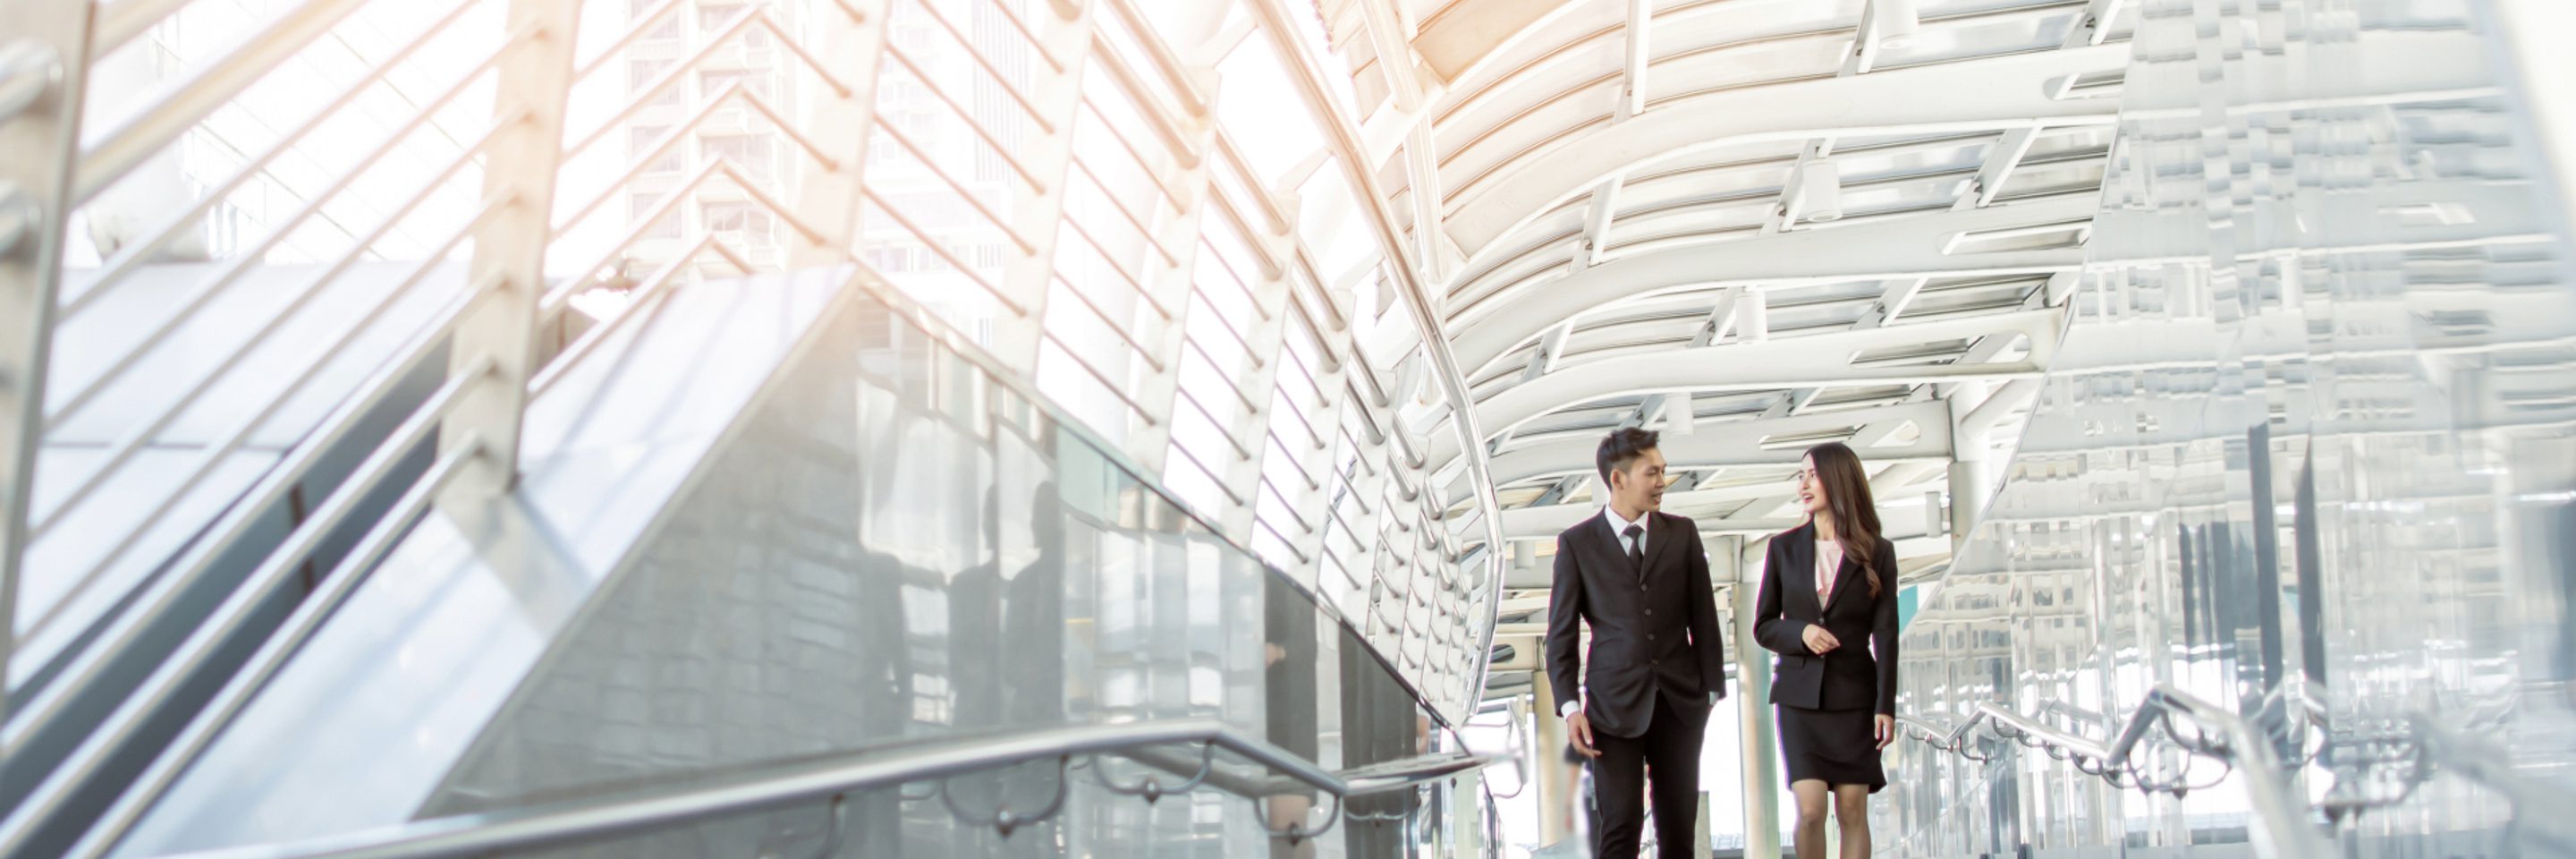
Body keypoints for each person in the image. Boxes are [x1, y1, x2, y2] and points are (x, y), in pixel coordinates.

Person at [1544, 428, 1727, 859]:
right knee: (1620, 824)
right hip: (1611, 705)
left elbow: (1704, 615)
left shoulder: (1682, 534)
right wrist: (1570, 708)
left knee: (1678, 828)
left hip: (1682, 701)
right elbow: (1561, 634)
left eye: (1663, 472)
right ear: (1618, 479)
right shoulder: (1576, 544)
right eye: (1653, 473)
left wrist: (1711, 689)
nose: (1663, 481)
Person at [1753, 442, 1901, 859]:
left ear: (1838, 479)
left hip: (1855, 699)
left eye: (1812, 475)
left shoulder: (1878, 551)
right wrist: (1800, 633)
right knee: (1812, 810)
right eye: (1800, 476)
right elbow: (1763, 627)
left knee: (1853, 809)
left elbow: (1886, 633)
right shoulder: (1783, 549)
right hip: (1799, 701)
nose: (1803, 484)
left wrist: (1886, 705)